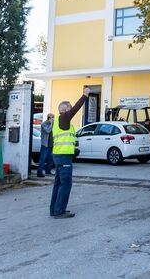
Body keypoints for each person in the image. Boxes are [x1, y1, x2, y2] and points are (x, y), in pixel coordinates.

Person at [49, 87, 90, 219]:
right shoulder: (63, 119)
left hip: (59, 156)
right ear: (65, 109)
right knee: (66, 184)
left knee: (58, 184)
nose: (71, 110)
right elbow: (75, 109)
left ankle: (54, 209)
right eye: (69, 108)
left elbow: (53, 141)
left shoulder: (59, 123)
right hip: (63, 157)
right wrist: (84, 95)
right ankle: (59, 211)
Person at [37, 113, 55, 177]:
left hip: (51, 144)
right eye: (52, 117)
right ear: (49, 118)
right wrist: (51, 124)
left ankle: (48, 171)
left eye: (54, 117)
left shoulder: (53, 124)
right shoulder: (44, 124)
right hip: (45, 145)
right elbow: (48, 131)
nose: (53, 119)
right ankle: (39, 172)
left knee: (50, 159)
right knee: (42, 159)